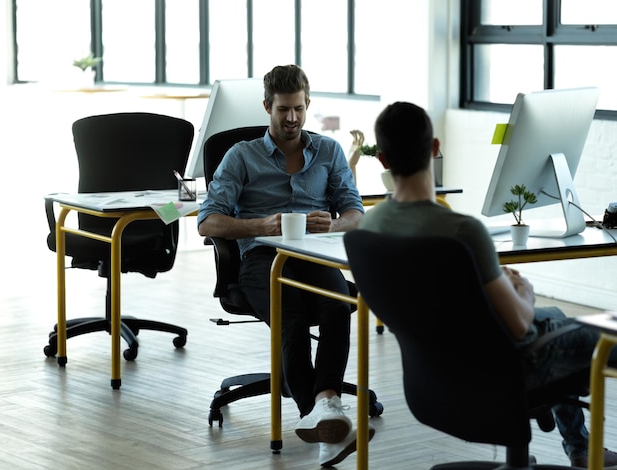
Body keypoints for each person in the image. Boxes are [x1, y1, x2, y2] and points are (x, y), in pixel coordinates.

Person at [358, 101, 617, 469]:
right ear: (434, 149)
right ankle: (578, 447)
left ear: (382, 160)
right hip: (501, 374)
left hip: (434, 379)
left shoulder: (369, 229)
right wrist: (522, 290)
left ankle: (579, 447)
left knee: (556, 315)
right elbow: (519, 324)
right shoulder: (462, 231)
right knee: (605, 335)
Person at [197, 64, 373, 467]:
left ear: (307, 104)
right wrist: (260, 225)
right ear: (267, 107)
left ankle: (325, 407)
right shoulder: (241, 156)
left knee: (337, 301)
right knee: (290, 313)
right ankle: (321, 417)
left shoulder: (327, 151)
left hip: (313, 253)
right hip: (262, 258)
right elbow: (207, 220)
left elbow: (354, 211)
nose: (291, 118)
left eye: (298, 108)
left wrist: (336, 222)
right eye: (282, 110)